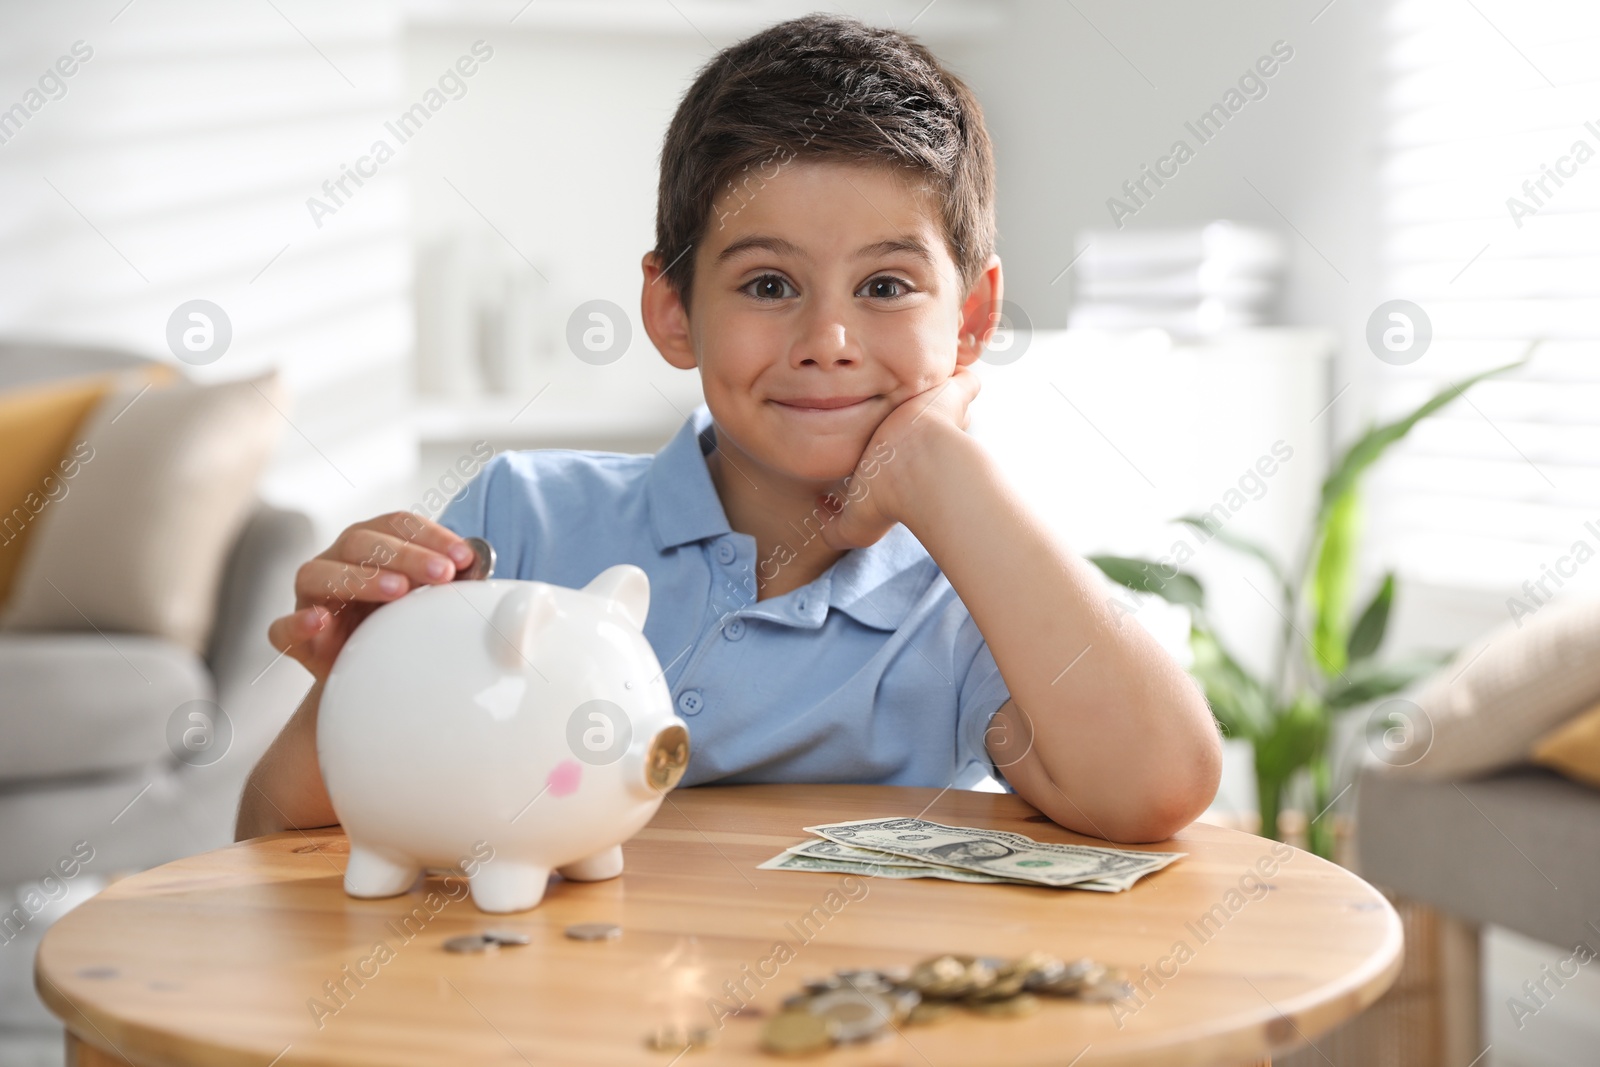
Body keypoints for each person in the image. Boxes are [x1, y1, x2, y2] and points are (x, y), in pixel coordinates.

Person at [235, 14, 1221, 845]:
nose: (827, 340)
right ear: (672, 311)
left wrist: (942, 469)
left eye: (885, 285)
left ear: (968, 320)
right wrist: (359, 686)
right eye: (767, 284)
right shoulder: (518, 525)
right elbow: (280, 845)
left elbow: (1158, 785)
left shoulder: (966, 600)